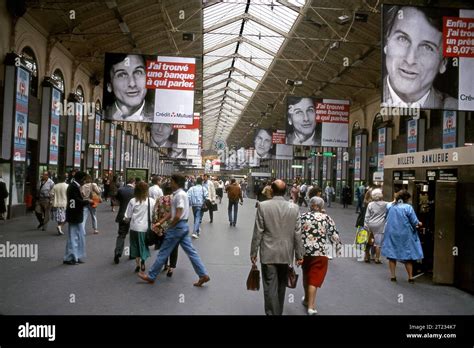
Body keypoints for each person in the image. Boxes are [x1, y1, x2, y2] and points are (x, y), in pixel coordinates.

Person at [138, 174, 210, 286]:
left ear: (176, 183)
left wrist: (169, 226)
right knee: (191, 252)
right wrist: (160, 222)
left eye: (171, 181)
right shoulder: (179, 194)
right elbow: (172, 212)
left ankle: (151, 276)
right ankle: (203, 274)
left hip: (177, 227)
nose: (169, 183)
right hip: (183, 226)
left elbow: (177, 215)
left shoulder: (179, 195)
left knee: (163, 252)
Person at [382, 6, 457, 109]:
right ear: (387, 42)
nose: (410, 60)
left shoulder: (454, 106)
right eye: (402, 39)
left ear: (443, 63)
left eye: (427, 47)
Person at [250, 179, 304, 315]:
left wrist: (253, 252)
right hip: (286, 254)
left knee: (269, 287)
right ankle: (277, 312)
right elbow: (297, 233)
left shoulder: (263, 206)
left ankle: (272, 313)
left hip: (268, 254)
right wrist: (299, 255)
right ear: (286, 191)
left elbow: (258, 231)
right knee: (281, 287)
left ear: (271, 190)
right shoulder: (294, 208)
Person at [300, 196, 342, 315]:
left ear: (311, 205)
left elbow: (296, 233)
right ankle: (311, 307)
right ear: (320, 207)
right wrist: (338, 248)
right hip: (320, 253)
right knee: (315, 278)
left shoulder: (303, 217)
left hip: (305, 252)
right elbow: (334, 235)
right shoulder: (326, 218)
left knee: (306, 275)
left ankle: (307, 299)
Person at [381, 189, 423, 283]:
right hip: (405, 234)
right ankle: (410, 277)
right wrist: (420, 223)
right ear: (406, 199)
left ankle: (393, 276)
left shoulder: (390, 206)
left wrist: (395, 200)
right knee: (407, 255)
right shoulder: (408, 207)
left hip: (392, 232)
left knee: (392, 255)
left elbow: (385, 217)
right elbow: (415, 221)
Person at [103, 53, 154, 122]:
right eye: (121, 75)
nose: (132, 84)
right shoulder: (103, 114)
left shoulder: (158, 115)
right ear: (109, 85)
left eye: (138, 72)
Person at [124, 181, 155, 273]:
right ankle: (143, 261)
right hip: (145, 228)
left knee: (134, 245)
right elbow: (154, 215)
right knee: (143, 245)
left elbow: (127, 216)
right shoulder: (151, 201)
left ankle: (137, 264)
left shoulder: (133, 201)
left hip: (134, 227)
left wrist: (125, 221)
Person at [63, 171, 92, 265]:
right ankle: (70, 257)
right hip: (74, 215)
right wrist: (87, 201)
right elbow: (76, 202)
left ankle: (76, 255)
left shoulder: (74, 186)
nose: (85, 181)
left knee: (79, 236)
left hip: (75, 214)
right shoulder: (73, 187)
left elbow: (75, 201)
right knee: (74, 236)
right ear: (81, 178)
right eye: (84, 179)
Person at [152, 183, 178, 277]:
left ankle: (165, 265)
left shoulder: (159, 200)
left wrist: (156, 224)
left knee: (164, 247)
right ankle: (171, 268)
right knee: (174, 248)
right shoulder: (175, 200)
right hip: (174, 227)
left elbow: (154, 213)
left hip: (162, 227)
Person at [113, 178, 135, 264]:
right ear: (133, 183)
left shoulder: (120, 190)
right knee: (132, 236)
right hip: (132, 216)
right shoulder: (135, 191)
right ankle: (130, 253)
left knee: (121, 235)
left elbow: (116, 200)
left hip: (122, 215)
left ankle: (117, 252)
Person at [364, 188, 388, 264]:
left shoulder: (370, 204)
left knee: (368, 241)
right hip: (380, 225)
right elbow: (393, 203)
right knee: (378, 243)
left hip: (370, 225)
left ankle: (366, 256)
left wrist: (366, 225)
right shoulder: (385, 204)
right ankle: (377, 258)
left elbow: (367, 216)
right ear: (381, 195)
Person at [356, 188, 373, 263]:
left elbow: (361, 213)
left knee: (366, 239)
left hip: (363, 222)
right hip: (369, 223)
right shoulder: (371, 204)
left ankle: (368, 254)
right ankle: (367, 254)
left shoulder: (364, 202)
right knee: (369, 240)